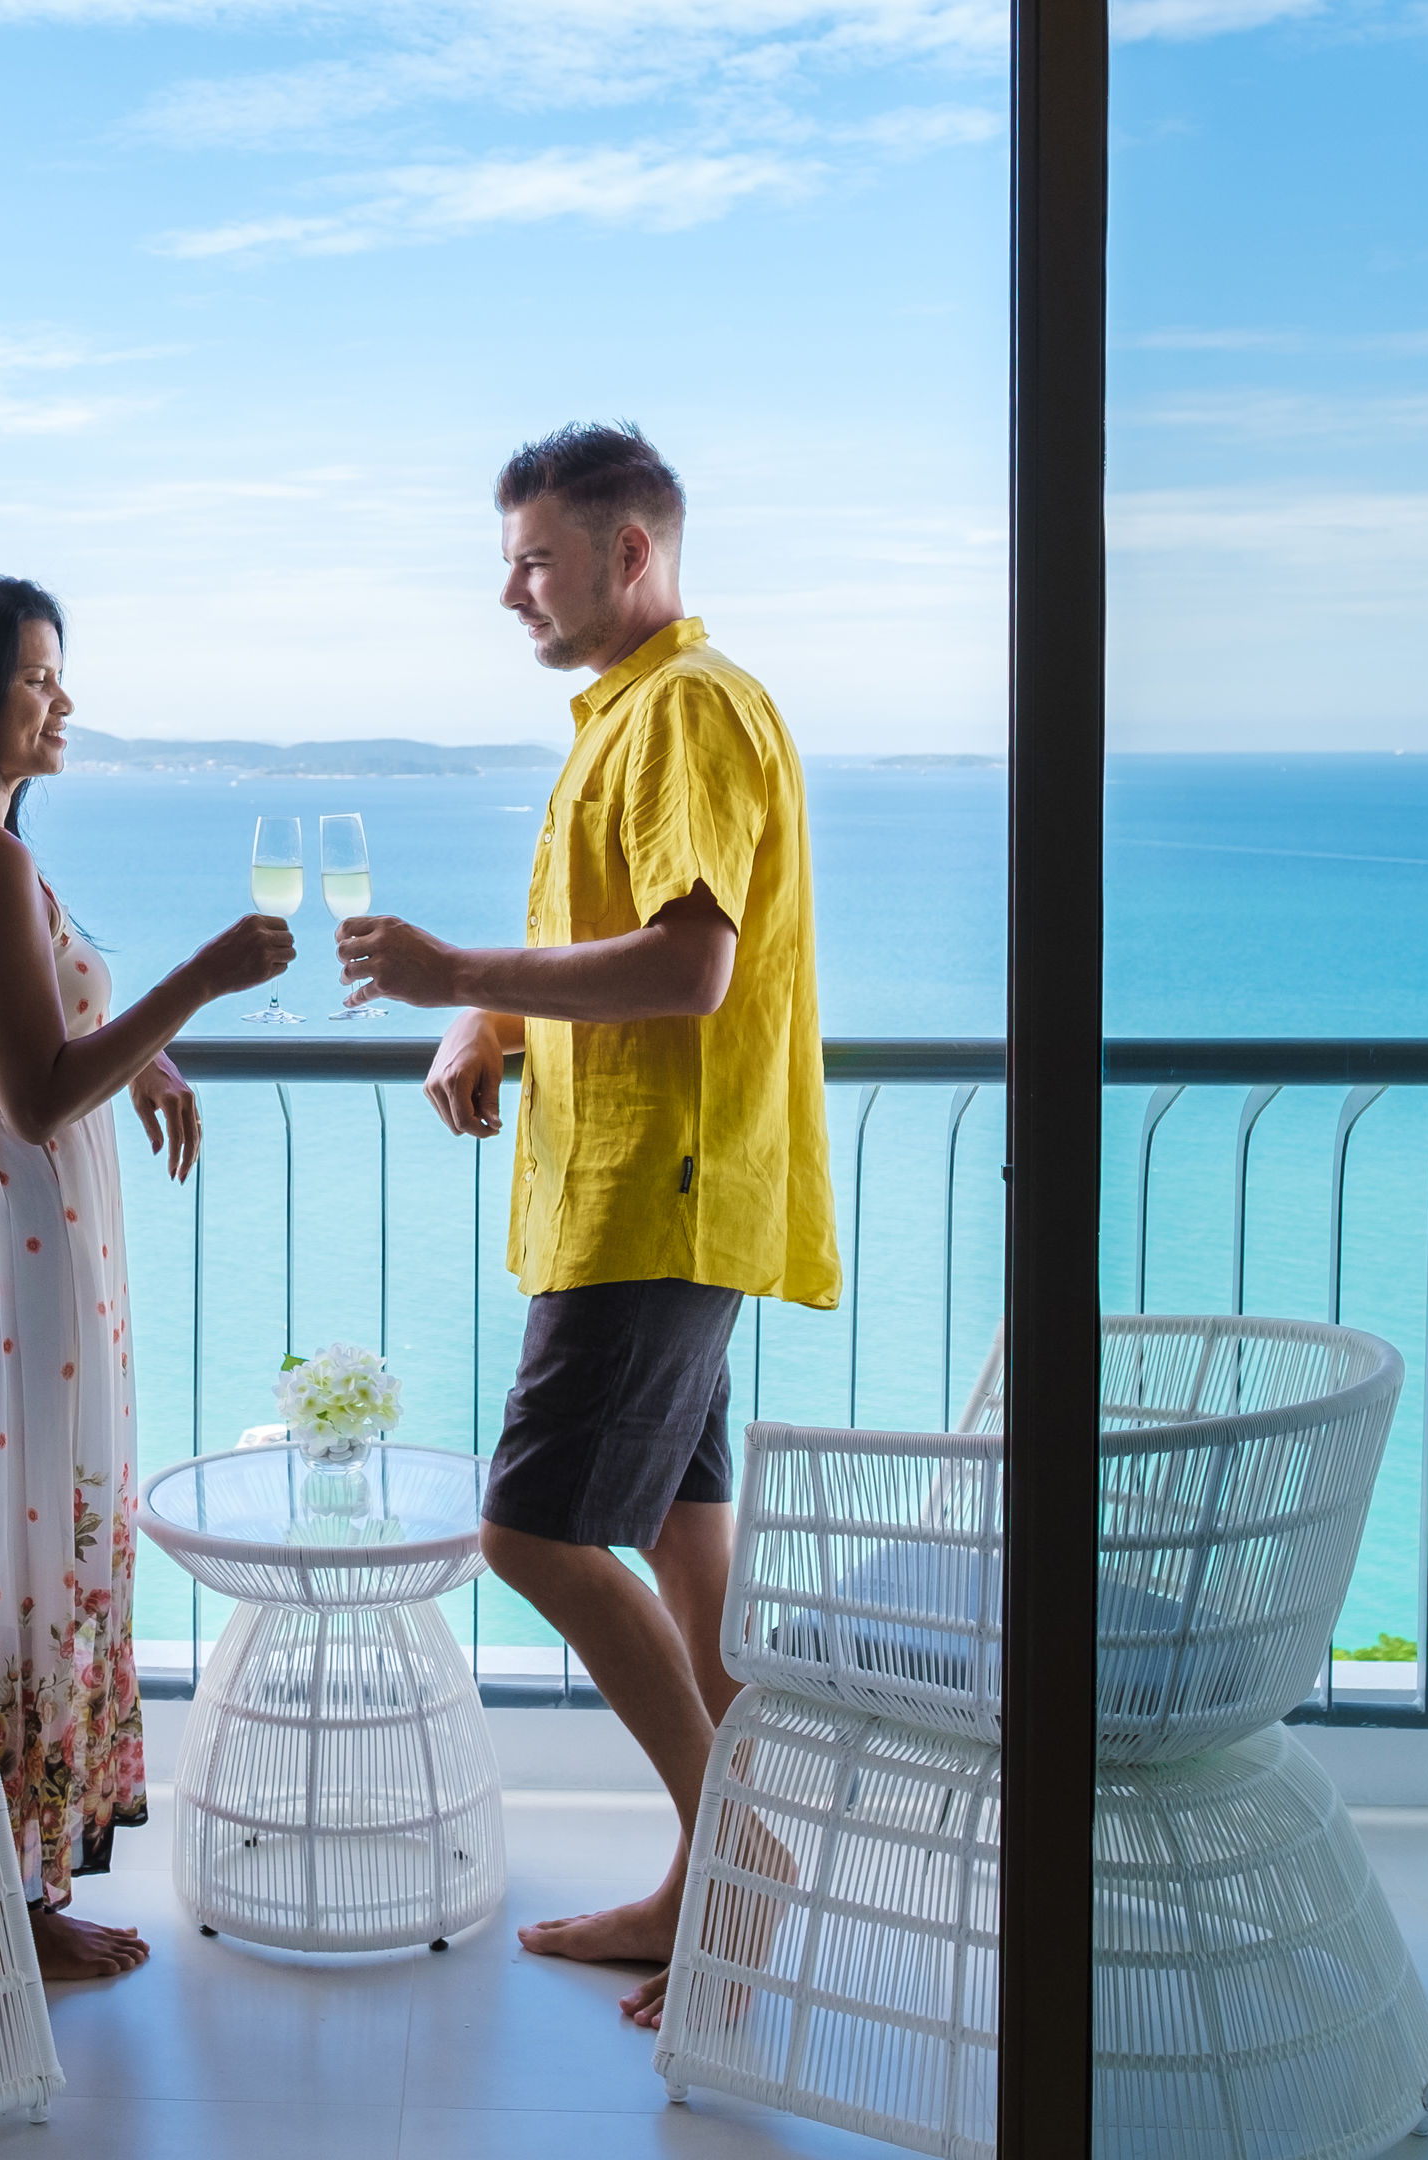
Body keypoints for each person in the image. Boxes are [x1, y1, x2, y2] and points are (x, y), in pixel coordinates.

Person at [333, 425, 837, 2029]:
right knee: (691, 1542)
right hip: (659, 1191)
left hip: (655, 1199)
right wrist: (494, 1025)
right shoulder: (628, 714)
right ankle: (710, 1892)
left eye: (534, 558)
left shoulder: (688, 706)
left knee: (530, 1529)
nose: (508, 592)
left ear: (631, 553)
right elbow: (622, 943)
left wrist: (459, 974)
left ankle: (742, 1880)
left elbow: (690, 967)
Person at [0, 573, 295, 1981]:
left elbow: (12, 1040)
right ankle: (0, 1910)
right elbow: (36, 1092)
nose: (62, 702)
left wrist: (143, 1056)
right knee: (23, 1552)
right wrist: (201, 984)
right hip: (16, 1246)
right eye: (38, 677)